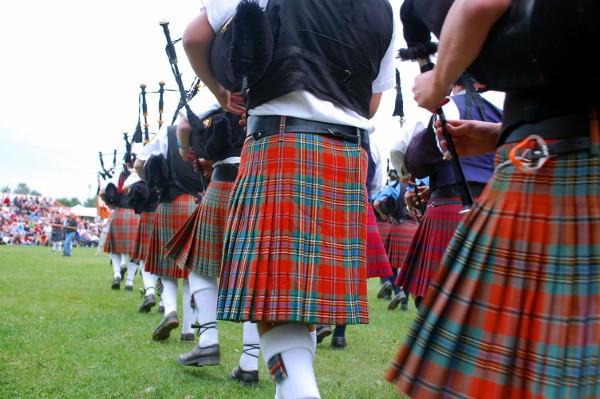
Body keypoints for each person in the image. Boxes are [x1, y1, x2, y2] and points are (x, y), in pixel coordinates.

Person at [386, 0, 600, 398]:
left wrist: (435, 82)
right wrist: (500, 132)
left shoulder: (445, 104)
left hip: (553, 163)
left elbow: (479, 4)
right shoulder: (498, 100)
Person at [182, 1, 395, 397]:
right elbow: (372, 101)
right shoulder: (385, 9)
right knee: (301, 301)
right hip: (348, 157)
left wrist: (222, 91)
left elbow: (195, 37)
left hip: (281, 143)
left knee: (277, 304)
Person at [163, 95, 261, 384]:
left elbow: (183, 125)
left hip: (225, 181)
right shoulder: (274, 76)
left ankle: (207, 339)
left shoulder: (219, 84)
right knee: (254, 275)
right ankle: (250, 361)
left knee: (201, 266)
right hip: (263, 180)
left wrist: (185, 149)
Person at [395, 75, 501, 309]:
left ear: (455, 80)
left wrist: (406, 174)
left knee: (432, 300)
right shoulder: (503, 112)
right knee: (484, 299)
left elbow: (405, 155)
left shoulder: (447, 106)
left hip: (449, 208)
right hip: (495, 210)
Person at [133, 120, 203, 342]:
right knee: (192, 269)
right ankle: (189, 330)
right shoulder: (207, 127)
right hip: (199, 203)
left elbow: (138, 164)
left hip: (170, 202)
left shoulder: (168, 132)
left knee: (166, 265)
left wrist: (153, 184)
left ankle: (170, 310)